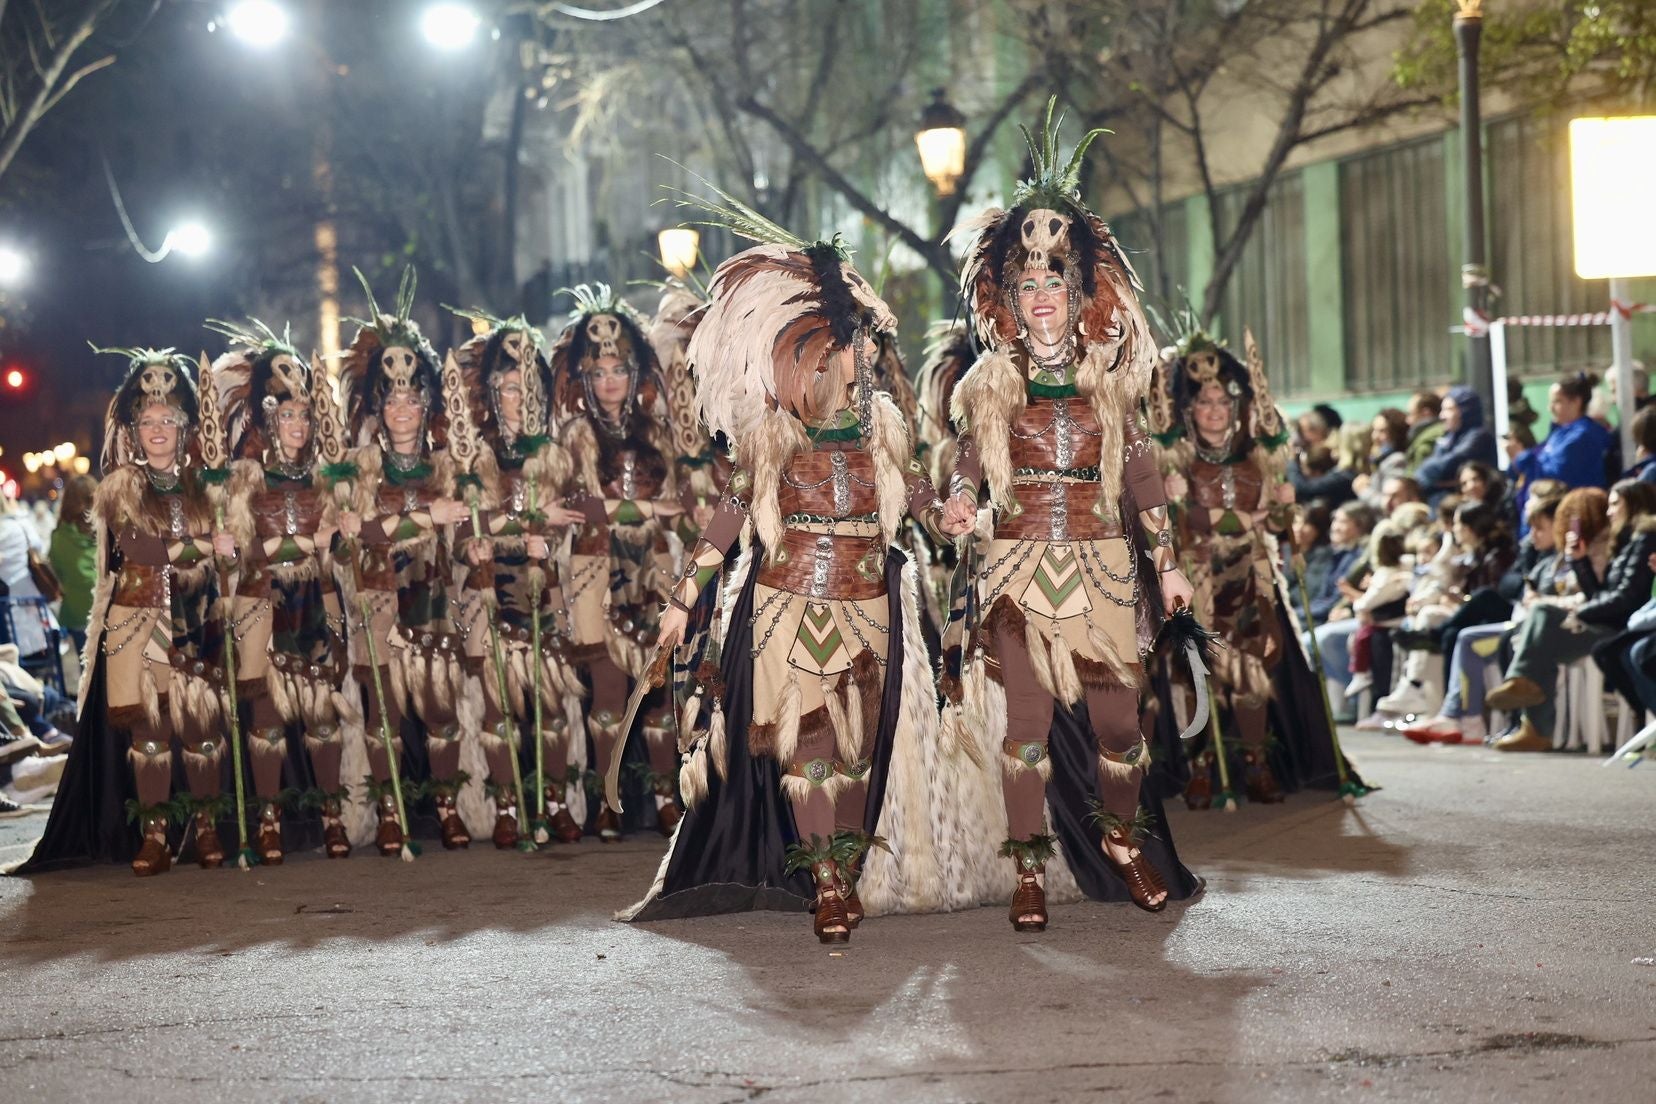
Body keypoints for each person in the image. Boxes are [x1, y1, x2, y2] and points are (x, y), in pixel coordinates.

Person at [621, 225, 947, 944]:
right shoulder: (771, 433)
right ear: (812, 358)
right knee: (812, 748)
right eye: (845, 348)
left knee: (859, 749)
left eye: (862, 346)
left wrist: (946, 511)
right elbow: (730, 513)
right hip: (789, 604)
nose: (860, 359)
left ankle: (849, 868)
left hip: (868, 608)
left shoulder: (882, 428)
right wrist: (682, 602)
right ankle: (826, 882)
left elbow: (916, 492)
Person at [935, 103, 1201, 928]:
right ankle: (1027, 870)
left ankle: (1122, 840)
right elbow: (971, 466)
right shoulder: (987, 384)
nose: (1043, 293)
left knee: (1121, 724)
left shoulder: (1112, 381)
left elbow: (1143, 480)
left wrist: (1166, 562)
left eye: (1056, 279)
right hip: (1017, 569)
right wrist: (961, 501)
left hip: (1104, 567)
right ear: (1008, 299)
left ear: (1077, 291)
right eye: (1028, 282)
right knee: (1028, 725)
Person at [20, 349, 237, 876]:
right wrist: (206, 545)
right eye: (147, 421)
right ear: (134, 430)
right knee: (150, 732)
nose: (157, 429)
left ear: (185, 427)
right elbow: (140, 547)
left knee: (202, 726)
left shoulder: (205, 486)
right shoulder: (122, 486)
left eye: (168, 420)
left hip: (196, 615)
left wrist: (223, 543)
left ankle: (206, 828)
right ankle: (155, 834)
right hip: (138, 619)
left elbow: (232, 550)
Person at [336, 269, 480, 853]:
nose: (402, 407)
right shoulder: (359, 465)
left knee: (441, 710)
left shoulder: (448, 465)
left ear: (427, 404)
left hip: (434, 599)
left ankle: (447, 807)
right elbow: (356, 532)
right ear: (379, 403)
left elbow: (462, 524)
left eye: (412, 397)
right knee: (385, 715)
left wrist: (462, 533)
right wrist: (424, 521)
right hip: (377, 601)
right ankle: (390, 811)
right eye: (392, 397)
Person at [213, 320, 360, 864]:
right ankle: (268, 820)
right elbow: (240, 553)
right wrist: (301, 542)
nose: (298, 424)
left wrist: (337, 541)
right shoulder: (245, 479)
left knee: (323, 713)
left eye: (304, 414)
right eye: (287, 414)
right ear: (267, 419)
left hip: (317, 605)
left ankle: (332, 815)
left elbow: (342, 557)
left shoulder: (327, 478)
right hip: (263, 603)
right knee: (268, 717)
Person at [446, 309, 588, 846]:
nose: (517, 396)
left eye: (526, 386)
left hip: (541, 583)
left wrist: (543, 538)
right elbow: (465, 526)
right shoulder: (472, 454)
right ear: (492, 391)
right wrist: (523, 523)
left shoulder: (553, 453)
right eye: (507, 387)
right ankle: (506, 805)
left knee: (550, 700)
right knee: (499, 703)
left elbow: (568, 515)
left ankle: (555, 800)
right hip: (488, 585)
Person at [550, 284, 685, 840]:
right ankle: (606, 798)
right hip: (594, 572)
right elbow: (579, 506)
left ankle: (663, 796)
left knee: (655, 691)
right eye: (598, 372)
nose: (609, 382)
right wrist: (646, 506)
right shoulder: (575, 436)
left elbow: (679, 506)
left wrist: (646, 511)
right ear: (584, 380)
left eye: (619, 370)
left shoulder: (658, 432)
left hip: (651, 569)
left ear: (635, 374)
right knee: (606, 692)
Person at [1485, 479, 1656, 750]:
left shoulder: (1644, 537)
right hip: (1607, 623)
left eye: (1615, 504)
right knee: (1533, 640)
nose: (1609, 511)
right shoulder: (1625, 540)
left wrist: (1578, 610)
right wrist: (1580, 561)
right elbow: (1601, 593)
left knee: (1541, 620)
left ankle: (1533, 718)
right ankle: (1529, 714)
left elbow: (1625, 598)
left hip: (1616, 628)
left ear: (1633, 504)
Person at [1404, 496, 1564, 745]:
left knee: (1480, 606)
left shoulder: (1509, 552)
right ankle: (1461, 716)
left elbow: (1504, 588)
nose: (1531, 534)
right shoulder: (1530, 552)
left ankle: (1464, 714)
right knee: (1457, 635)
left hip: (1525, 618)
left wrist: (1526, 586)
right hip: (1516, 617)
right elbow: (1513, 584)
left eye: (1538, 527)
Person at [1507, 372, 1613, 500]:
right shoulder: (1561, 433)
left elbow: (1553, 480)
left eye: (1557, 401)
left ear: (1576, 402)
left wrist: (1520, 457)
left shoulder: (1581, 437)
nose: (1550, 408)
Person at [1415, 387, 1497, 505]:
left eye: (1448, 409)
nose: (1442, 416)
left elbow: (1444, 467)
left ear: (1465, 411)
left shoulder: (1478, 437)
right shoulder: (1448, 438)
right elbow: (1429, 469)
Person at [47, 475, 99, 657]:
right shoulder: (103, 531)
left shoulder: (58, 536)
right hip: (105, 607)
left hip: (75, 612)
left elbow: (56, 572)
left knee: (86, 668)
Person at [1402, 390, 1445, 473]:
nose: (1407, 420)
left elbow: (1416, 479)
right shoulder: (1423, 437)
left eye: (1410, 414)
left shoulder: (1427, 441)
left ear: (1426, 413)